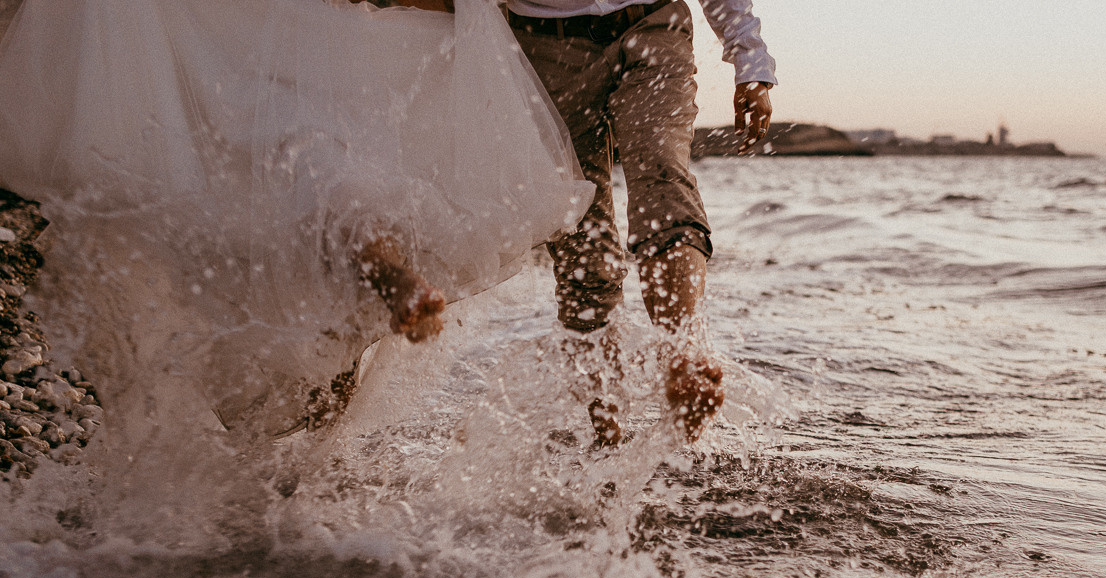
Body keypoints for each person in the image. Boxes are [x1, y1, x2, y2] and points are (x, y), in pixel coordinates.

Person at [0, 0, 591, 435]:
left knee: (322, 188)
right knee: (338, 200)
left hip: (283, 50)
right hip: (352, 49)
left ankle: (383, 287)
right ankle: (380, 295)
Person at [505, 0, 776, 443]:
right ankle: (607, 437)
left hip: (653, 23)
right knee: (579, 236)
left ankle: (683, 351)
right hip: (541, 48)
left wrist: (750, 58)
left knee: (661, 172)